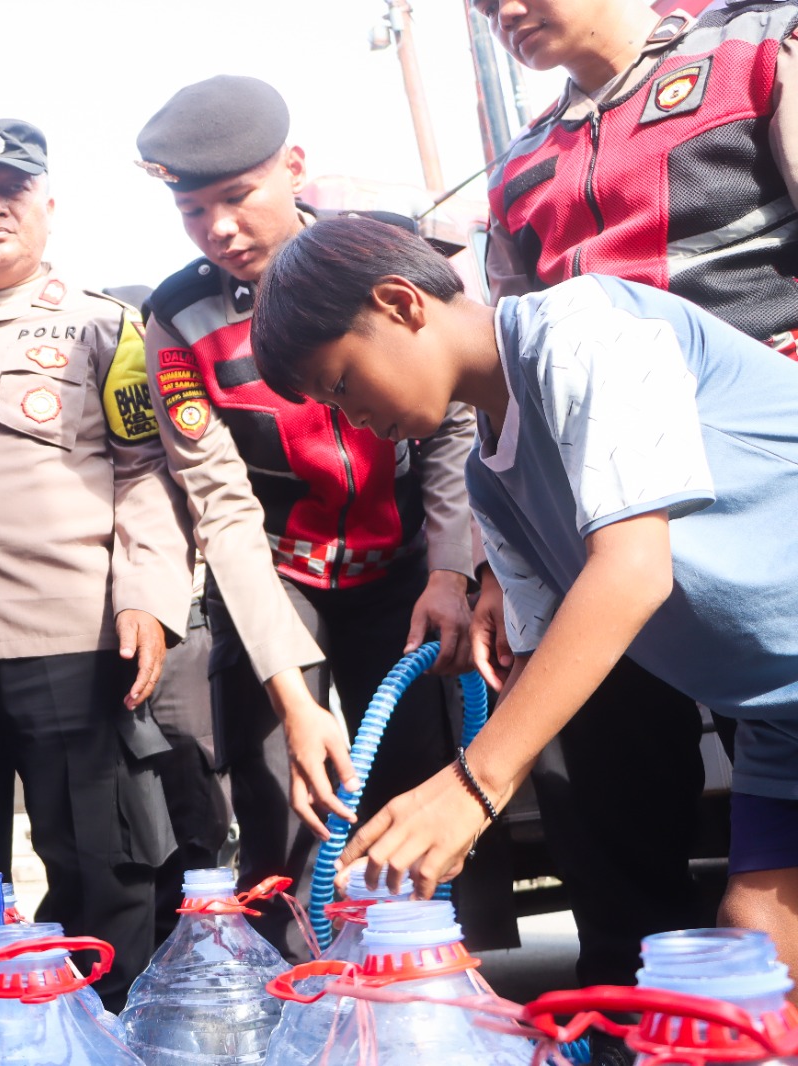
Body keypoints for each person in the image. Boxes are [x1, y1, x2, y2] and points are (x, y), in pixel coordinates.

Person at [253, 213, 798, 990]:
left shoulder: (585, 328)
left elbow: (632, 572)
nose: (353, 423)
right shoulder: (491, 479)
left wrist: (473, 785)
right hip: (781, 711)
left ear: (402, 303)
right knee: (753, 960)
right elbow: (553, 660)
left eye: (341, 384)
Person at [132, 76, 511, 958]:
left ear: (292, 168)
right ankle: (296, 989)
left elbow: (457, 423)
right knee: (281, 791)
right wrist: (292, 695)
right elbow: (220, 509)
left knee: (416, 770)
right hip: (276, 577)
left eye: (236, 198)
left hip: (408, 568)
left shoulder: (385, 258)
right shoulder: (177, 319)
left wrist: (452, 569)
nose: (220, 229)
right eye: (194, 212)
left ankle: (434, 974)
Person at [477, 0, 798, 989]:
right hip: (602, 521)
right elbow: (485, 366)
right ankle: (631, 1018)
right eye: (482, 7)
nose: (504, 14)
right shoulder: (520, 166)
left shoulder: (757, 51)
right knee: (600, 792)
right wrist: (486, 566)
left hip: (761, 509)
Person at [0, 119, 191, 1009]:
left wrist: (147, 594)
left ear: (48, 207)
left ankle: (110, 1035)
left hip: (75, 641)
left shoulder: (107, 327)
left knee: (105, 876)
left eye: (11, 191)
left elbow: (145, 472)